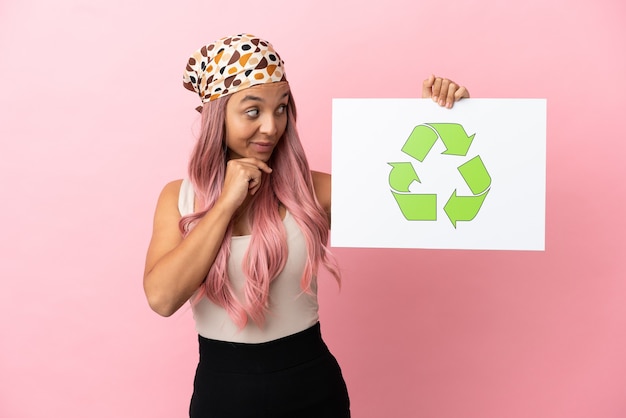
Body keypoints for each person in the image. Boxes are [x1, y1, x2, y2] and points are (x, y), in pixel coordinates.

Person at [143, 33, 469, 418]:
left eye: (281, 108)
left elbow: (413, 196)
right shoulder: (178, 199)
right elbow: (162, 299)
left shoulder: (313, 190)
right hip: (222, 397)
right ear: (215, 117)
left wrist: (440, 116)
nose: (271, 127)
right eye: (253, 111)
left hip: (313, 393)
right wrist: (226, 204)